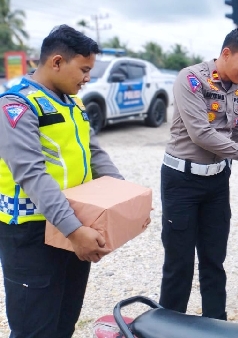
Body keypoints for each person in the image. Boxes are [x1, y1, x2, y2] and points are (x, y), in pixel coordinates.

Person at [0, 25, 122, 338]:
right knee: (34, 330)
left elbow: (94, 152)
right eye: (83, 69)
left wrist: (123, 196)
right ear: (56, 62)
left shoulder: (72, 104)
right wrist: (74, 230)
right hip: (32, 234)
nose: (87, 78)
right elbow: (32, 174)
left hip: (72, 225)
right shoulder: (16, 105)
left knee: (63, 323)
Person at [159, 27, 238, 320]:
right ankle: (168, 326)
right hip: (182, 182)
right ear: (226, 54)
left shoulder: (236, 87)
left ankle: (215, 325)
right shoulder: (191, 79)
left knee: (213, 260)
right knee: (179, 262)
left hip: (217, 183)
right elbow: (201, 134)